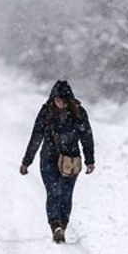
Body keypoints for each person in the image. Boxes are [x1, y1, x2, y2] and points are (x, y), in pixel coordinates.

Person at [20, 80, 95, 243]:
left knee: (66, 195)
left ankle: (63, 226)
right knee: (54, 192)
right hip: (48, 159)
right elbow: (36, 137)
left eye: (63, 99)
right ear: (52, 98)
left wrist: (90, 160)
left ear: (69, 99)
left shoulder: (79, 113)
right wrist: (27, 161)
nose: (60, 103)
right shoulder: (46, 112)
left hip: (71, 160)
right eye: (57, 99)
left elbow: (87, 137)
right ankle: (56, 226)